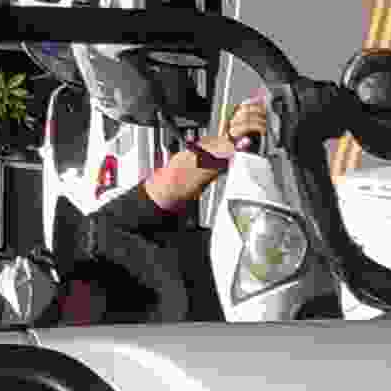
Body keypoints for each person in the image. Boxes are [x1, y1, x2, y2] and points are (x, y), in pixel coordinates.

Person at [45, 83, 270, 325]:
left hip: (260, 259)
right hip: (249, 339)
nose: (75, 287)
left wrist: (229, 143)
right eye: (63, 300)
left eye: (66, 282)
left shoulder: (100, 239)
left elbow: (169, 184)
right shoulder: (112, 347)